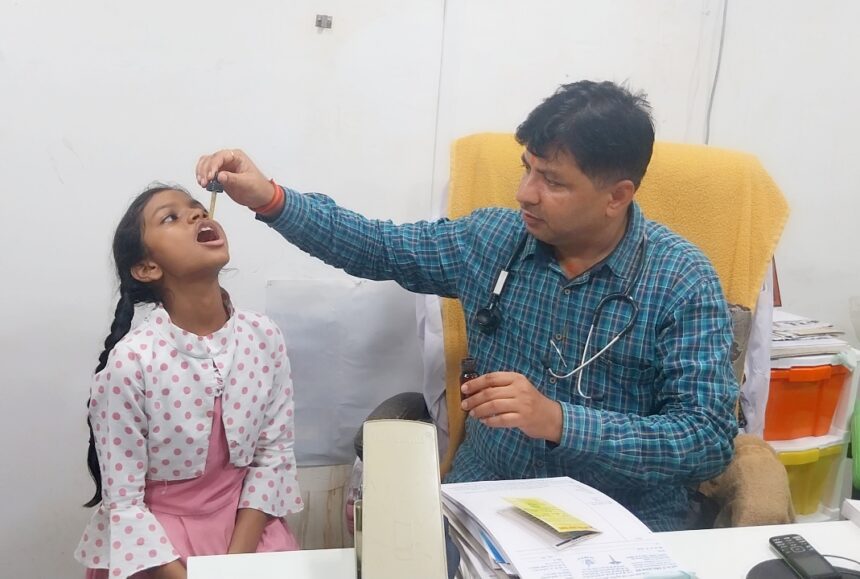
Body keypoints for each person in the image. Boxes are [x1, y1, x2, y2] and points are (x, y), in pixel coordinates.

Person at [195, 80, 739, 532]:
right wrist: (270, 198)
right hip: (487, 505)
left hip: (620, 524)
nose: (525, 192)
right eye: (527, 168)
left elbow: (707, 439)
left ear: (616, 196)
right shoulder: (494, 240)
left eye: (552, 181)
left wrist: (560, 421)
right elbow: (377, 246)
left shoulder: (681, 281)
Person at [76, 185, 302, 579]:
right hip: (159, 556)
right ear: (147, 268)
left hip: (249, 535)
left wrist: (233, 566)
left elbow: (272, 457)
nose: (197, 215)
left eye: (198, 209)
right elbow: (124, 503)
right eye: (171, 217)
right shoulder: (131, 363)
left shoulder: (264, 336)